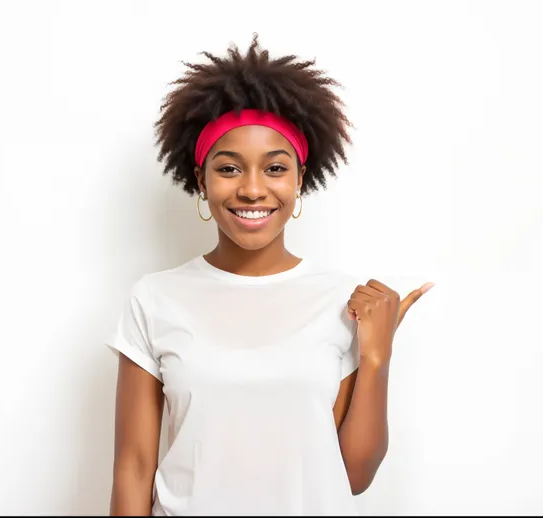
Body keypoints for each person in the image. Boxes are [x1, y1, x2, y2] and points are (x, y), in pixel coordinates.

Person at [106, 35, 434, 516]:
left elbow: (355, 476)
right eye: (229, 168)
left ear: (301, 178)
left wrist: (377, 355)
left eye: (275, 168)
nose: (253, 189)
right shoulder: (154, 299)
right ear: (201, 180)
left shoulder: (343, 301)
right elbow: (134, 468)